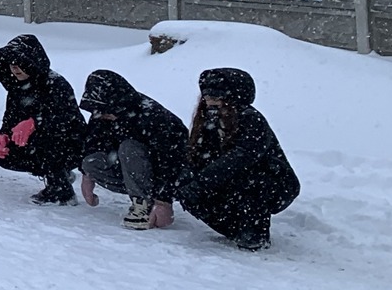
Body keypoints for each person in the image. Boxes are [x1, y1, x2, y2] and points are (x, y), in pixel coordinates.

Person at [178, 68, 300, 251]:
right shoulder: (208, 120)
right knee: (189, 188)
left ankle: (253, 232)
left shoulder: (252, 120)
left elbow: (241, 157)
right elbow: (198, 156)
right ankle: (233, 227)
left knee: (249, 180)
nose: (210, 100)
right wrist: (187, 182)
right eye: (207, 95)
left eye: (216, 96)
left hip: (272, 182)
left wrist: (202, 182)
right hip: (230, 179)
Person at [77, 70, 189, 230]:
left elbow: (172, 161)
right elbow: (93, 143)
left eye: (105, 111)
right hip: (130, 173)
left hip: (165, 176)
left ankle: (143, 204)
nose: (102, 116)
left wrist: (164, 199)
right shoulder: (103, 113)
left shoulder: (152, 118)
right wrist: (87, 175)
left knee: (129, 148)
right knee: (91, 161)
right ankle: (140, 195)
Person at [0, 34, 88, 204]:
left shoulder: (55, 84)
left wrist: (35, 123)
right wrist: (1, 136)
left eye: (20, 63)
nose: (15, 68)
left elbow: (67, 119)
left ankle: (61, 189)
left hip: (71, 144)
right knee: (8, 154)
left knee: (47, 141)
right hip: (37, 143)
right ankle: (56, 173)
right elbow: (10, 120)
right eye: (11, 64)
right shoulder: (16, 88)